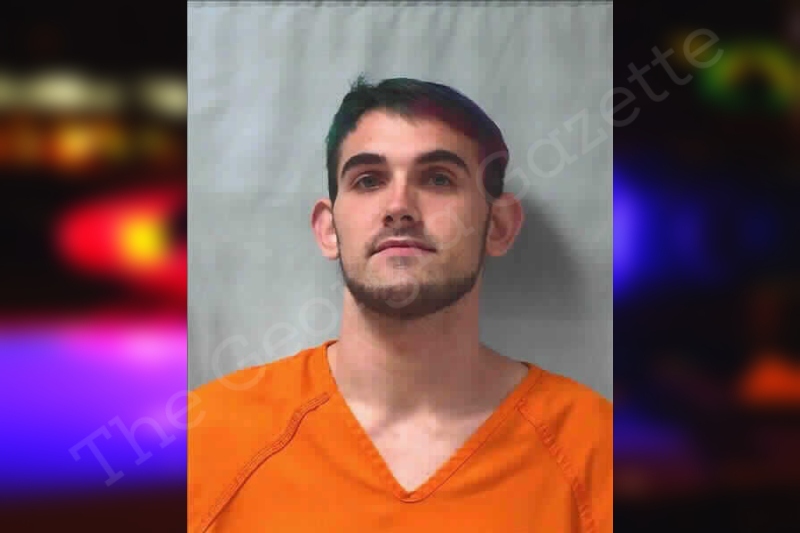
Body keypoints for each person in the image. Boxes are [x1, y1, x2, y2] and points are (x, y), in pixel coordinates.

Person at [188, 75, 612, 532]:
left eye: (438, 179)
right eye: (368, 180)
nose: (399, 206)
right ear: (329, 230)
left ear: (498, 226)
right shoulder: (204, 441)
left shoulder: (596, 451)